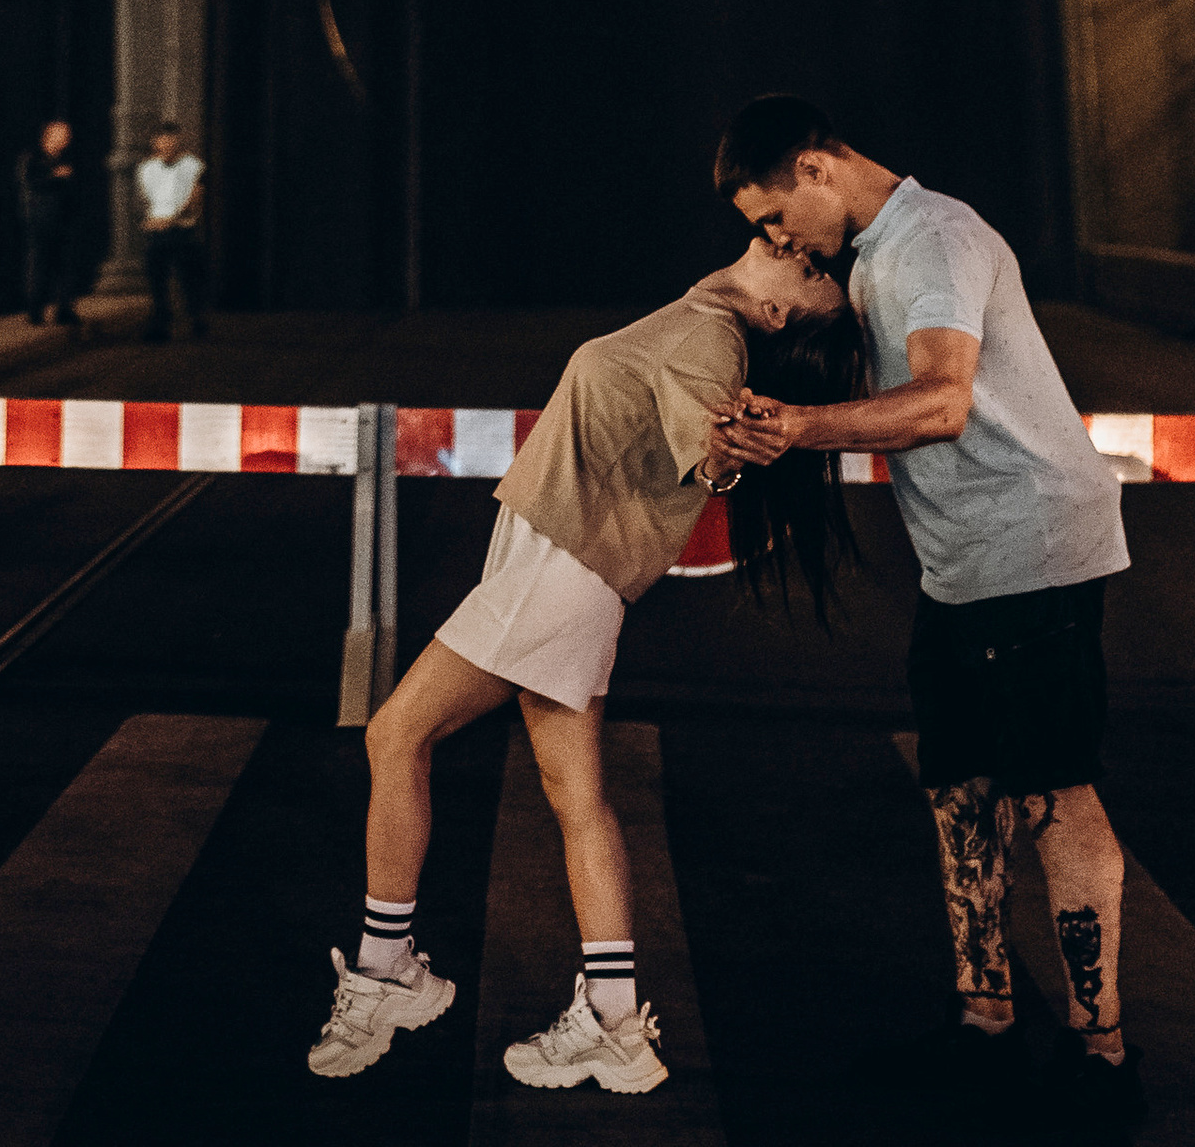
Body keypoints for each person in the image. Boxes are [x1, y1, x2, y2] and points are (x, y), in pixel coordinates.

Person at [307, 206, 860, 1095]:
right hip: (562, 568)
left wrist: (726, 453)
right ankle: (614, 1024)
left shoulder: (712, 343)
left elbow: (710, 447)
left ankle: (387, 974)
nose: (801, 251)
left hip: (559, 569)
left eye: (817, 272)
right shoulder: (699, 311)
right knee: (579, 798)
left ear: (784, 316)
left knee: (395, 735)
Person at [712, 95, 1139, 1127]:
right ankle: (985, 1028)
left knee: (1051, 795)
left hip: (1032, 551)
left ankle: (1102, 1052)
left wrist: (803, 427)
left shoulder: (935, 241)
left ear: (816, 167)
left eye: (773, 218)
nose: (774, 241)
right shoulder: (870, 257)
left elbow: (945, 401)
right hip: (961, 567)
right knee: (958, 790)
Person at [136, 117, 208, 339]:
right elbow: (143, 200)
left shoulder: (193, 166)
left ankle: (195, 319)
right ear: (155, 142)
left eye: (170, 139)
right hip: (156, 231)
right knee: (157, 279)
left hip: (182, 231)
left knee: (188, 278)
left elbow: (196, 199)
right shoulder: (147, 168)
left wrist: (173, 218)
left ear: (178, 141)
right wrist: (148, 219)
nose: (166, 144)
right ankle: (160, 322)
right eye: (161, 140)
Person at [15, 116, 83, 328]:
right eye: (61, 134)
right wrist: (55, 176)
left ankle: (64, 309)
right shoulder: (32, 158)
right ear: (49, 135)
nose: (65, 139)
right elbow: (30, 184)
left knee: (65, 266)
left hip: (64, 221)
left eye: (67, 135)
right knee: (39, 265)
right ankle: (35, 309)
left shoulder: (66, 160)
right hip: (40, 221)